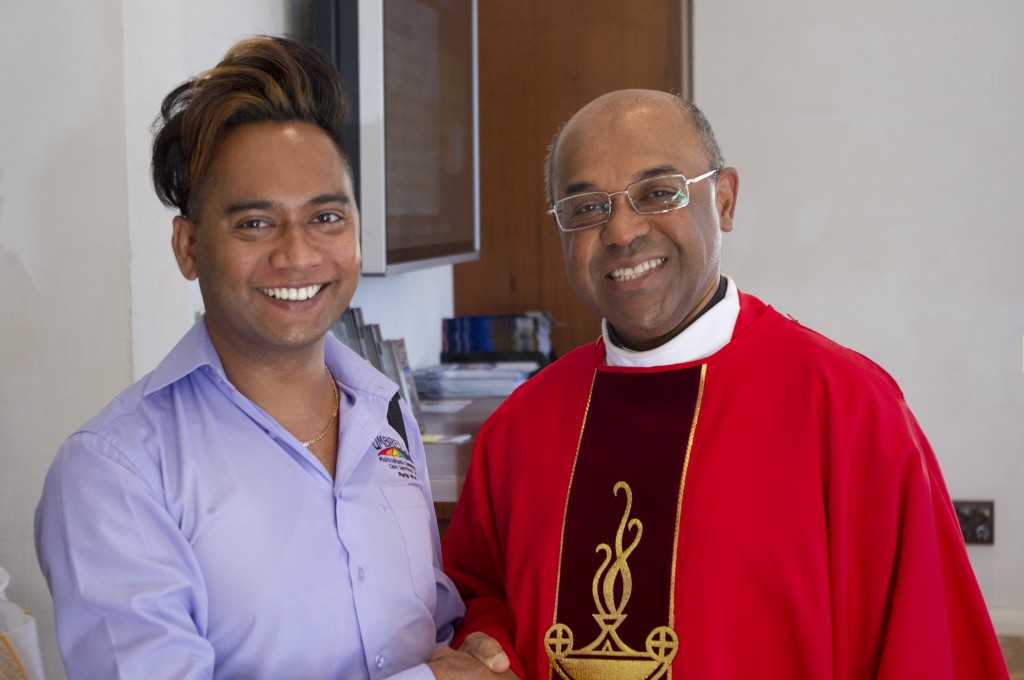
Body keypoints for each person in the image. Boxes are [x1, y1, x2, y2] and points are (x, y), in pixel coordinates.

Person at [441, 89, 1010, 679]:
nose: (622, 231)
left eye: (659, 193)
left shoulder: (846, 409)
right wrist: (489, 646)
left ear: (726, 200)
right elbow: (477, 593)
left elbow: (927, 642)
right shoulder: (520, 426)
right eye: (586, 207)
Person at [35, 35, 514, 680]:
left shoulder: (384, 414)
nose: (297, 256)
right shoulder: (116, 472)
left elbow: (427, 623)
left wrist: (477, 648)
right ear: (187, 246)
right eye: (255, 224)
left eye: (326, 217)